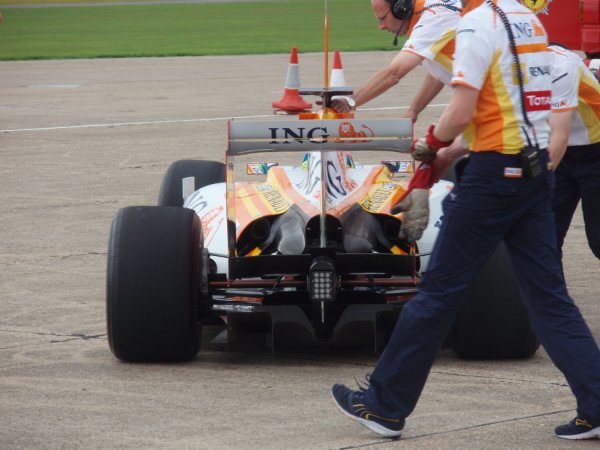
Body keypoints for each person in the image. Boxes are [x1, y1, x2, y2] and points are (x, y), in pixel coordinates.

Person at [330, 0, 600, 441]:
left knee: (437, 294)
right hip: (533, 175)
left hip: (492, 178)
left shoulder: (476, 26)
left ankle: (384, 405)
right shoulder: (527, 21)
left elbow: (461, 110)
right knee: (550, 300)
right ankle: (597, 401)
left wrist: (433, 145)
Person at [546, 43, 600, 262]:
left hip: (595, 151)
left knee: (598, 239)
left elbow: (561, 133)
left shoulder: (561, 64)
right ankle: (551, 297)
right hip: (564, 153)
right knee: (546, 237)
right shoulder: (507, 64)